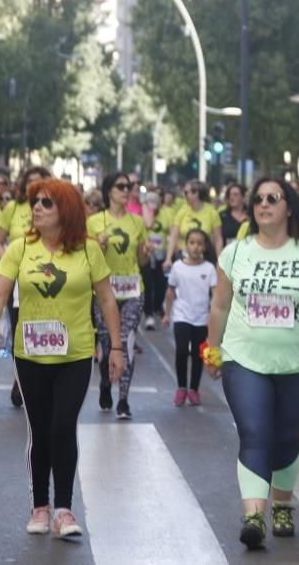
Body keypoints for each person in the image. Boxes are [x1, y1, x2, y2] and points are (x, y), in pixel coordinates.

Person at [0, 178, 123, 539]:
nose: (37, 209)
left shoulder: (89, 250)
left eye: (46, 203)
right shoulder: (20, 248)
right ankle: (40, 506)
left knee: (63, 426)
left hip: (75, 353)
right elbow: (0, 290)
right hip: (29, 354)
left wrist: (116, 347)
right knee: (40, 429)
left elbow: (106, 299)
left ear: (66, 210)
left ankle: (64, 509)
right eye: (35, 202)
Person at [206, 177, 299, 549]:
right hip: (243, 357)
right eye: (258, 200)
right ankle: (254, 516)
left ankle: (282, 504)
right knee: (254, 432)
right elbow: (220, 305)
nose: (264, 204)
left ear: (289, 207)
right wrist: (212, 349)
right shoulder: (236, 252)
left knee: (286, 437)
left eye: (273, 198)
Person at [87, 172, 149, 419]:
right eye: (121, 186)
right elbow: (89, 259)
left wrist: (145, 252)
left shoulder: (137, 222)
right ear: (108, 191)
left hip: (133, 289)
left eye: (129, 186)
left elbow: (142, 260)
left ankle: (123, 400)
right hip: (105, 291)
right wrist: (99, 246)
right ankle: (105, 382)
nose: (127, 190)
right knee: (106, 345)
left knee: (124, 342)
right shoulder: (94, 222)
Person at [0, 166, 52, 407]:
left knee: (46, 328)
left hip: (49, 278)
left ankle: (41, 377)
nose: (34, 187)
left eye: (40, 182)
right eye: (30, 183)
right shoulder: (12, 208)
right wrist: (11, 261)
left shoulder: (56, 208)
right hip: (17, 278)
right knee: (19, 329)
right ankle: (21, 377)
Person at [163, 228, 217, 406]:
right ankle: (181, 387)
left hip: (201, 317)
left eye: (199, 243)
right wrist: (167, 314)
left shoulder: (209, 269)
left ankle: (194, 389)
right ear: (186, 245)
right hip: (182, 315)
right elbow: (170, 292)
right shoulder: (178, 267)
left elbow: (215, 295)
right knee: (181, 351)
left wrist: (213, 318)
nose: (195, 247)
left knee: (197, 354)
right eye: (192, 242)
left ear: (205, 247)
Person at [163, 179, 224, 270]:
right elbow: (173, 236)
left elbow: (218, 239)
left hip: (204, 257)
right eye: (185, 192)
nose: (185, 195)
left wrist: (220, 261)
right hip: (183, 256)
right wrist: (168, 258)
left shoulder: (212, 212)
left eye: (187, 192)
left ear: (197, 194)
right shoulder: (182, 211)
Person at [142, 190, 171, 329]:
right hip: (147, 254)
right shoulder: (143, 213)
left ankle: (157, 306)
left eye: (156, 201)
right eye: (150, 201)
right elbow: (147, 225)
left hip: (162, 254)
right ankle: (148, 314)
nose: (153, 204)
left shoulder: (166, 213)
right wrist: (150, 212)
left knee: (161, 285)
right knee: (148, 285)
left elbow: (171, 231)